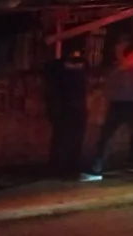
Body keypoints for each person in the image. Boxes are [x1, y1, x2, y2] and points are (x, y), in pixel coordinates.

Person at [80, 37, 133, 181]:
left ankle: (96, 168)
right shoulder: (129, 57)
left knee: (112, 134)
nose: (116, 49)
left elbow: (122, 68)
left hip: (132, 101)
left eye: (119, 45)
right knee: (131, 132)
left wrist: (118, 57)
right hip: (122, 100)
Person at [45, 44, 87, 175]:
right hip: (70, 107)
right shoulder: (82, 65)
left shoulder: (56, 66)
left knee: (63, 138)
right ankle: (68, 166)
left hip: (66, 107)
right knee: (69, 138)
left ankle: (61, 166)